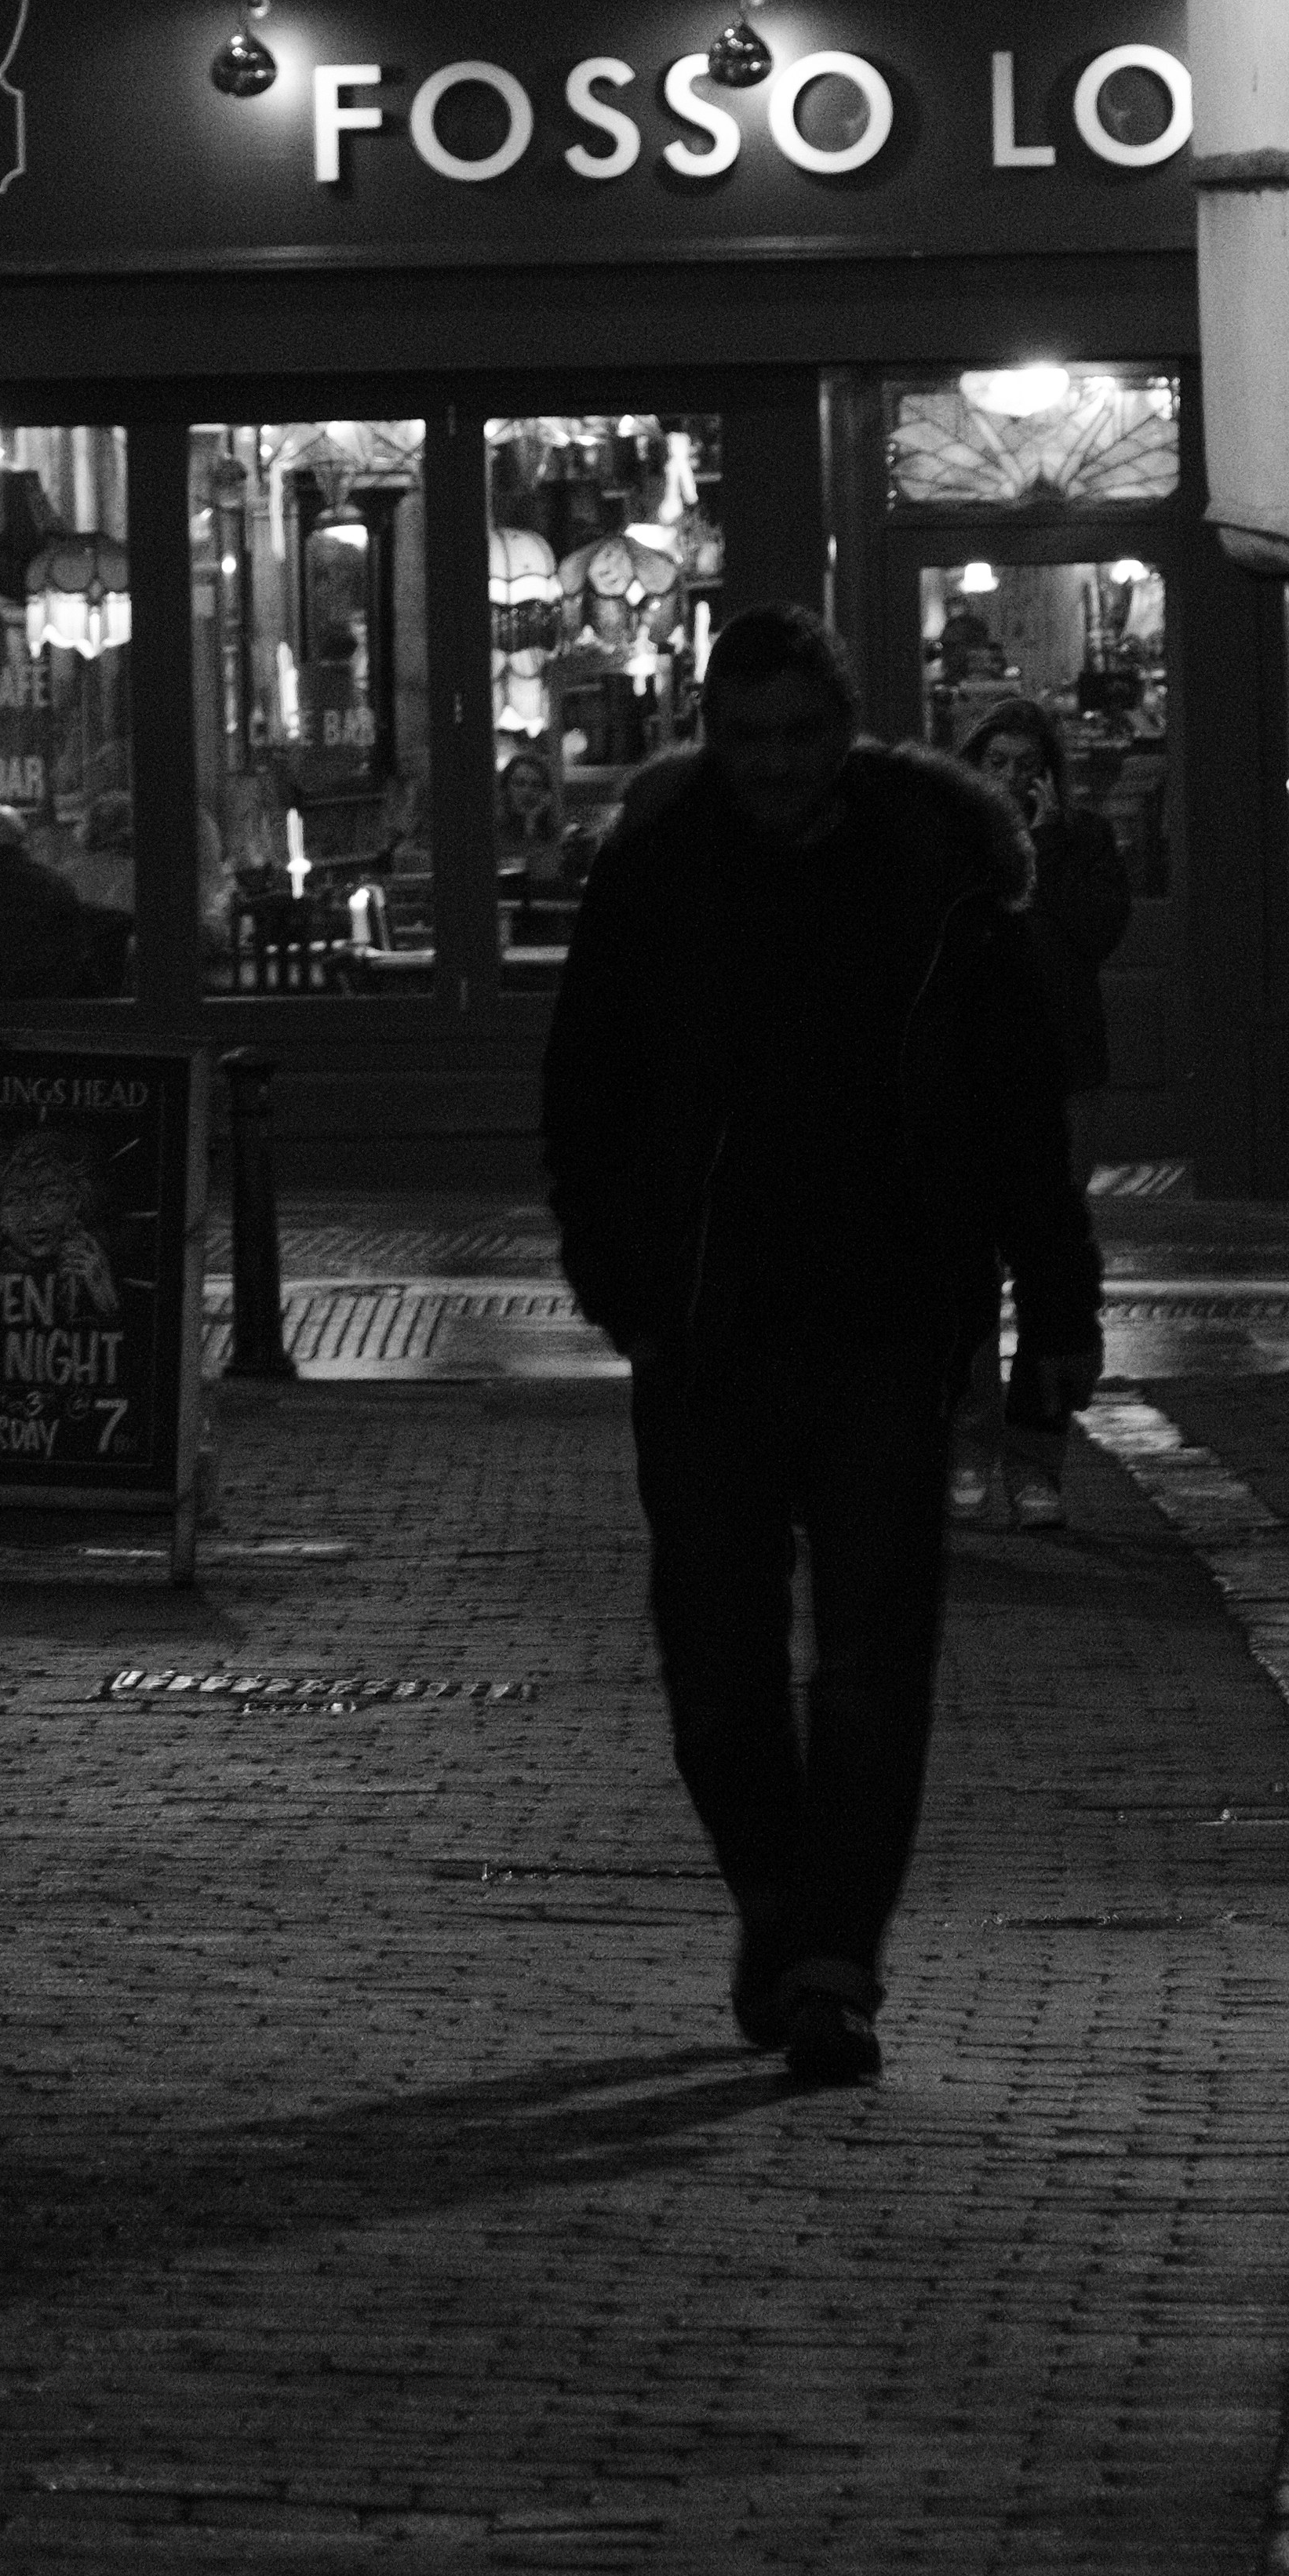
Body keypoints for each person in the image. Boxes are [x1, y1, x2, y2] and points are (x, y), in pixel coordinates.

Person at [543, 603, 1102, 2090]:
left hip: (882, 1330)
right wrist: (624, 1286)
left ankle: (831, 1964)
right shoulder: (659, 881)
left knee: (870, 1663)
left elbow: (1015, 1118)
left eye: (799, 739)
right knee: (716, 1675)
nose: (775, 770)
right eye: (747, 743)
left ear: (842, 733)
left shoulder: (933, 886)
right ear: (713, 740)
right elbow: (584, 1095)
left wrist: (1054, 1311)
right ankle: (779, 1900)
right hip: (709, 1333)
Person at [952, 696, 1133, 1529]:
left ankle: (1036, 1463)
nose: (1013, 778)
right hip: (969, 1085)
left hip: (1061, 1081)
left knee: (1048, 1271)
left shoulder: (1084, 843)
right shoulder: (950, 842)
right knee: (963, 1272)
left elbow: (1095, 933)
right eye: (998, 763)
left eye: (1029, 766)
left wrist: (1049, 842)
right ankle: (967, 1445)